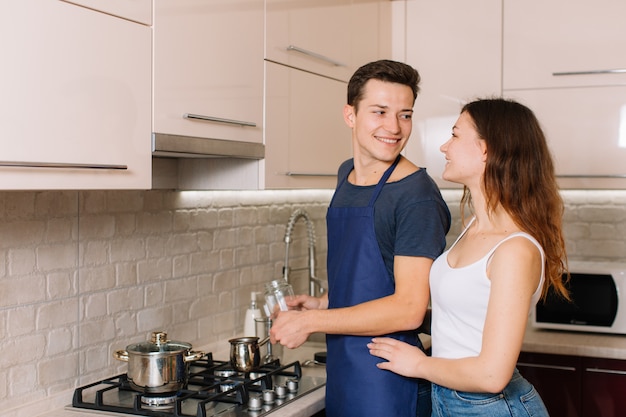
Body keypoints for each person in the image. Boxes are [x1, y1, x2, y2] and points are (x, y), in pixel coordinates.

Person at [269, 59, 451, 417]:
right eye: (380, 112)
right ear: (350, 115)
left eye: (405, 114)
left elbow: (409, 308)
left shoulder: (416, 195)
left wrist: (311, 323)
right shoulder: (346, 174)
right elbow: (369, 275)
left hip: (387, 380)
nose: (394, 127)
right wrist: (322, 304)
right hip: (344, 370)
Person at [368, 98, 570, 417]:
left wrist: (419, 364)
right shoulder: (475, 227)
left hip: (493, 407)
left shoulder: (515, 249)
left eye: (456, 135)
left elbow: (492, 375)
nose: (445, 147)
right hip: (449, 398)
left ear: (486, 150)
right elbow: (466, 319)